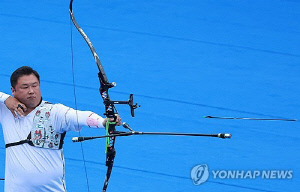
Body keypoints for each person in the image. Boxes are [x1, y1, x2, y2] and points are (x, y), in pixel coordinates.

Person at [0, 66, 121, 192]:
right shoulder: (6, 111)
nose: (31, 91)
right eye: (25, 87)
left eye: (35, 85)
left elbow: (80, 116)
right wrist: (6, 99)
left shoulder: (54, 112)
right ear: (13, 90)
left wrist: (103, 121)